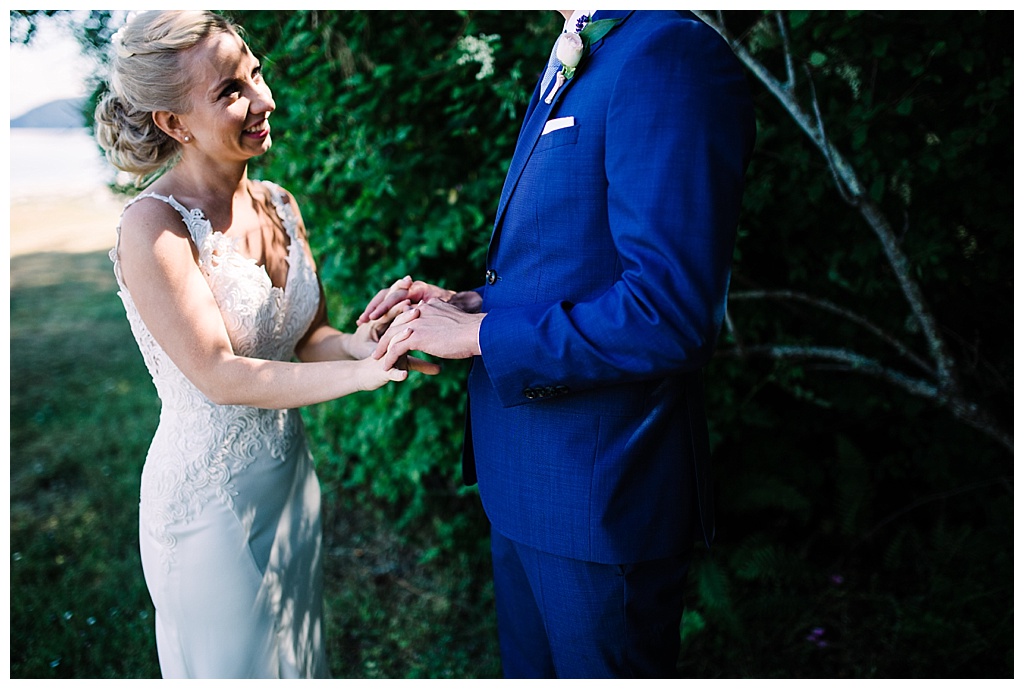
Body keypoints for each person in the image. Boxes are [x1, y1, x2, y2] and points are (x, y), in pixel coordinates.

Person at [362, 10, 756, 678]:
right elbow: (571, 259)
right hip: (525, 486)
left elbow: (670, 313)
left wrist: (484, 336)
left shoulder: (668, 52)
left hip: (601, 501)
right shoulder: (584, 49)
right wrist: (472, 304)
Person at [94, 10, 436, 678]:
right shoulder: (153, 228)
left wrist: (367, 345)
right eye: (230, 90)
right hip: (208, 511)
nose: (264, 99)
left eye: (255, 73)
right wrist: (363, 378)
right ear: (173, 123)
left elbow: (308, 339)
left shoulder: (280, 204)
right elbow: (221, 374)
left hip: (289, 481)